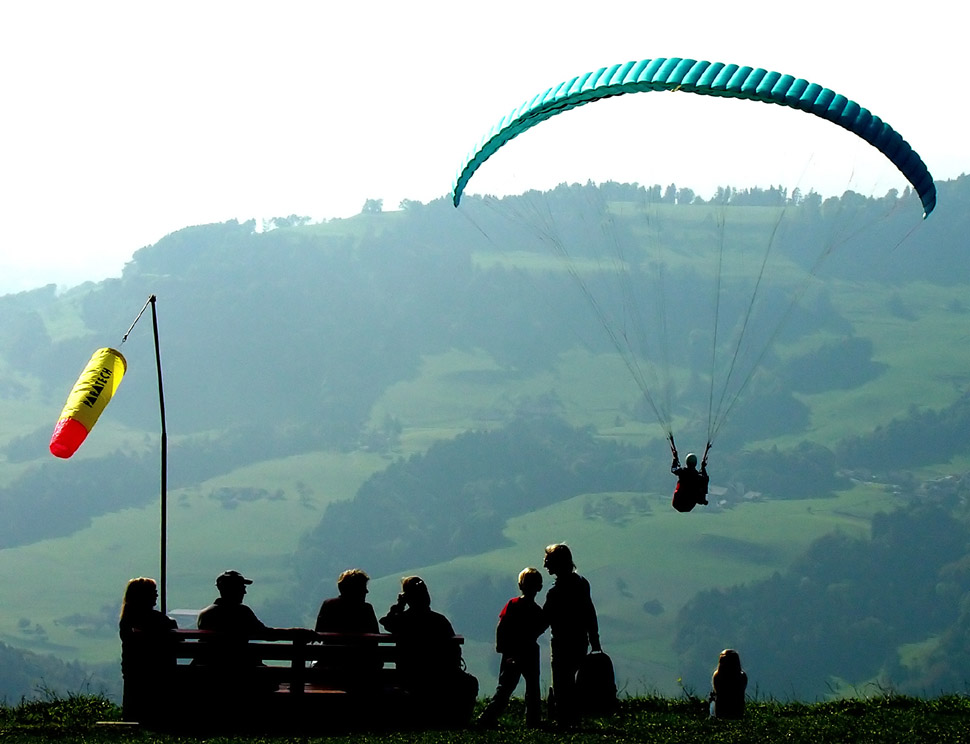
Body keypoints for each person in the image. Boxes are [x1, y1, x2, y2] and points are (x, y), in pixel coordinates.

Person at [380, 576, 478, 726]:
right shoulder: (439, 621)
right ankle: (459, 722)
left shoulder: (403, 621)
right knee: (470, 682)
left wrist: (399, 605)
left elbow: (387, 622)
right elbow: (454, 652)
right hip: (440, 675)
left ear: (408, 597)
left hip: (410, 676)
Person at [197, 570, 314, 669]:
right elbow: (267, 634)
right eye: (241, 588)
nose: (244, 592)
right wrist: (297, 632)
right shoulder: (241, 612)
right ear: (233, 589)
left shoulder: (205, 614)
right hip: (239, 668)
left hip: (209, 669)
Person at [477, 567, 547, 728]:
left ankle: (488, 716)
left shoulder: (513, 604)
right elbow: (542, 625)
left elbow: (502, 626)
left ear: (520, 585)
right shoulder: (537, 610)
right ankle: (533, 720)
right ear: (539, 587)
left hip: (512, 651)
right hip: (529, 651)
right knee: (532, 688)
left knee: (505, 687)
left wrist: (501, 647)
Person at [542, 543, 600, 726]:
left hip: (561, 642)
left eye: (548, 561)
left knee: (561, 681)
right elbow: (589, 612)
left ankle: (563, 719)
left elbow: (544, 619)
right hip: (580, 640)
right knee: (574, 680)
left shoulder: (555, 592)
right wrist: (594, 639)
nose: (545, 565)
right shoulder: (581, 584)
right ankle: (573, 717)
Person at [119, 577, 178, 724]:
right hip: (161, 670)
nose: (157, 596)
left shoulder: (127, 620)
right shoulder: (158, 620)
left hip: (134, 670)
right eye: (153, 592)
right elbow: (176, 637)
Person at [314, 568, 381, 690]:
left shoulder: (329, 605)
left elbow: (319, 633)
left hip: (332, 667)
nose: (366, 591)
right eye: (363, 587)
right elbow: (375, 638)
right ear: (356, 590)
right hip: (362, 670)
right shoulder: (366, 609)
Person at [669, 435, 710, 512]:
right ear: (695, 463)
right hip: (689, 506)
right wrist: (703, 468)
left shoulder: (682, 473)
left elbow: (673, 469)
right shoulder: (700, 478)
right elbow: (705, 479)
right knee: (703, 484)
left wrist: (675, 459)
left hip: (677, 503)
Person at [710, 648, 747, 719]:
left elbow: (717, 693)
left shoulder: (717, 676)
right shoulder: (742, 676)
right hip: (737, 712)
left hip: (720, 712)